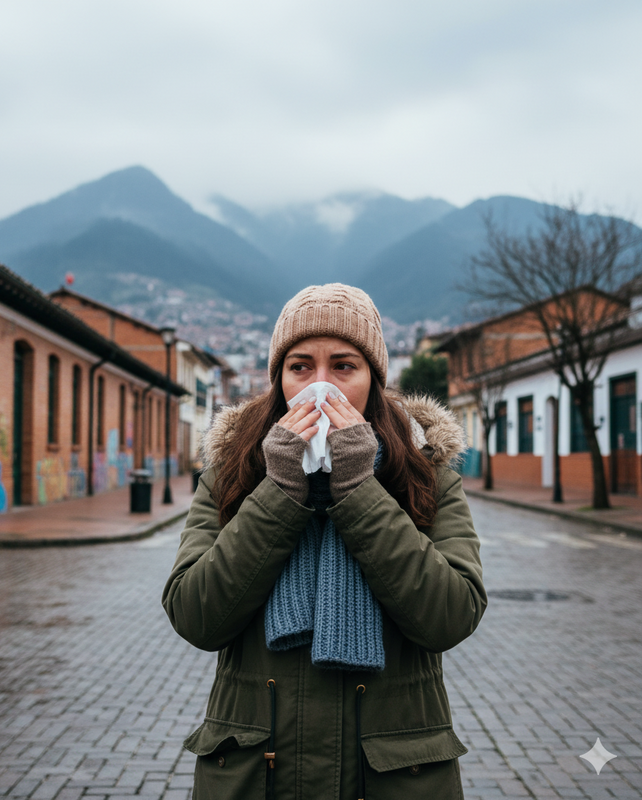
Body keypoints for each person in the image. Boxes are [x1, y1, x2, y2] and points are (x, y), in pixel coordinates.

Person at [162, 283, 487, 800]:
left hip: (394, 776)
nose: (320, 387)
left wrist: (360, 488)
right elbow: (196, 616)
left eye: (343, 366)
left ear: (373, 381)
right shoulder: (232, 475)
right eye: (300, 367)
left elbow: (449, 615)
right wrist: (279, 489)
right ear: (278, 381)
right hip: (255, 774)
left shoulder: (427, 476)